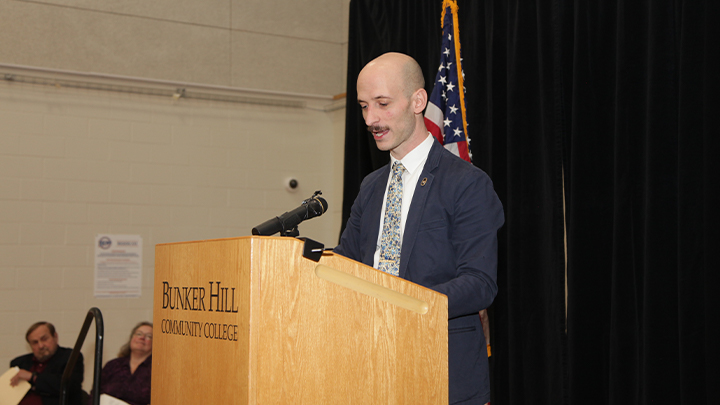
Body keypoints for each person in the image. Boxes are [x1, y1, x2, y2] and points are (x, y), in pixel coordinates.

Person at [334, 52, 504, 405]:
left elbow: (479, 283)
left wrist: (400, 303)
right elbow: (345, 266)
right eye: (364, 106)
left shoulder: (467, 184)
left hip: (441, 373)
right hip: (371, 369)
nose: (371, 119)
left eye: (382, 103)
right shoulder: (370, 187)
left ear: (418, 100)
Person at [10, 322, 85, 405]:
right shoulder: (19, 363)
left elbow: (68, 386)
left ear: (55, 336)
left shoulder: (70, 357)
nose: (41, 346)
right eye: (35, 342)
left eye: (44, 339)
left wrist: (33, 377)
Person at [90, 322, 152, 405]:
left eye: (149, 336)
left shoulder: (156, 371)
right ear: (131, 338)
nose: (142, 338)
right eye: (139, 334)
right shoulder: (112, 365)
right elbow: (94, 396)